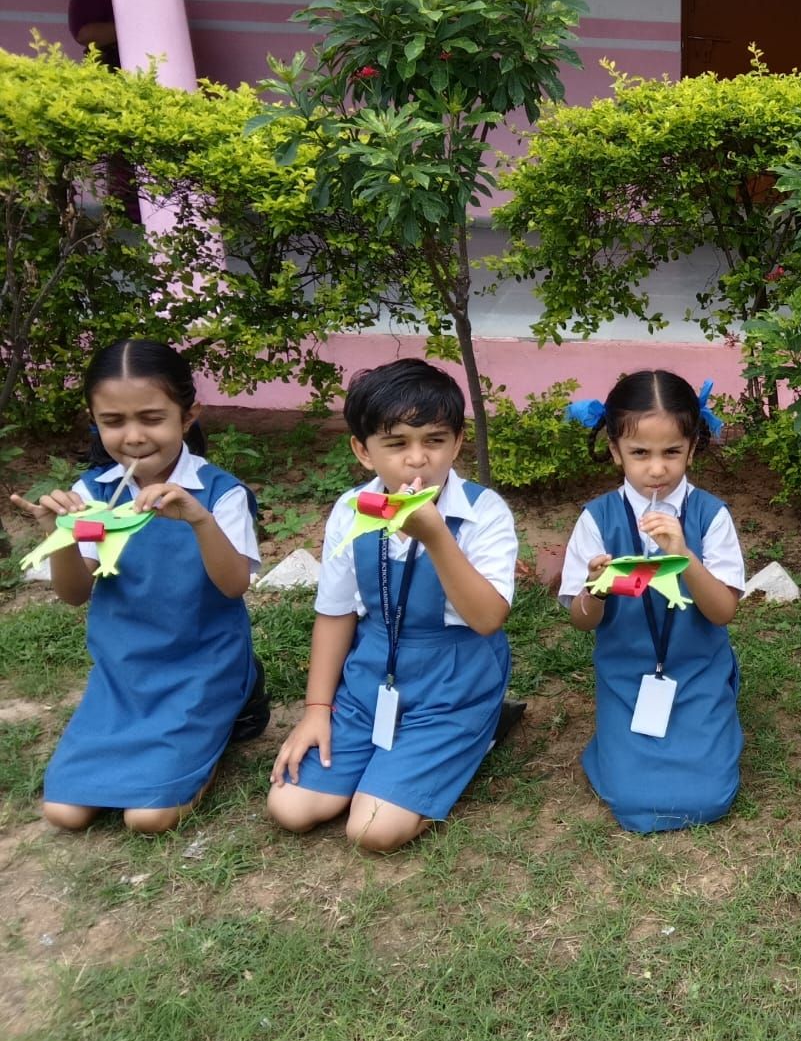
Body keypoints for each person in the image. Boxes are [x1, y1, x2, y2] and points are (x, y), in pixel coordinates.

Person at [9, 339, 265, 833]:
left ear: (187, 416)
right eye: (113, 422)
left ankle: (234, 703)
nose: (132, 437)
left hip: (200, 668)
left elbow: (234, 586)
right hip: (123, 674)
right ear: (94, 420)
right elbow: (74, 594)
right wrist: (58, 534)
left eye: (151, 418)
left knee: (149, 818)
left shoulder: (220, 493)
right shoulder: (92, 493)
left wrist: (199, 521)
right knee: (63, 812)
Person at [267, 360, 516, 851]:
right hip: (371, 679)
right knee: (291, 808)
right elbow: (335, 612)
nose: (418, 459)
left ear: (458, 442)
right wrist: (317, 710)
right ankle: (391, 761)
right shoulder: (350, 509)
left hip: (454, 677)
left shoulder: (483, 512)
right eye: (397, 443)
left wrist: (437, 536)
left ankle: (478, 730)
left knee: (371, 830)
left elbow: (487, 619)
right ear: (363, 450)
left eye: (434, 440)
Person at [559, 371, 746, 832]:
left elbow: (723, 612)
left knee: (711, 797)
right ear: (614, 450)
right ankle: (621, 746)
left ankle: (715, 712)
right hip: (627, 676)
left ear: (693, 448)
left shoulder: (712, 515)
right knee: (631, 797)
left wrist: (684, 556)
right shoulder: (597, 519)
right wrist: (596, 588)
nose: (657, 469)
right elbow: (581, 621)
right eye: (640, 453)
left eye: (672, 453)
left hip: (696, 670)